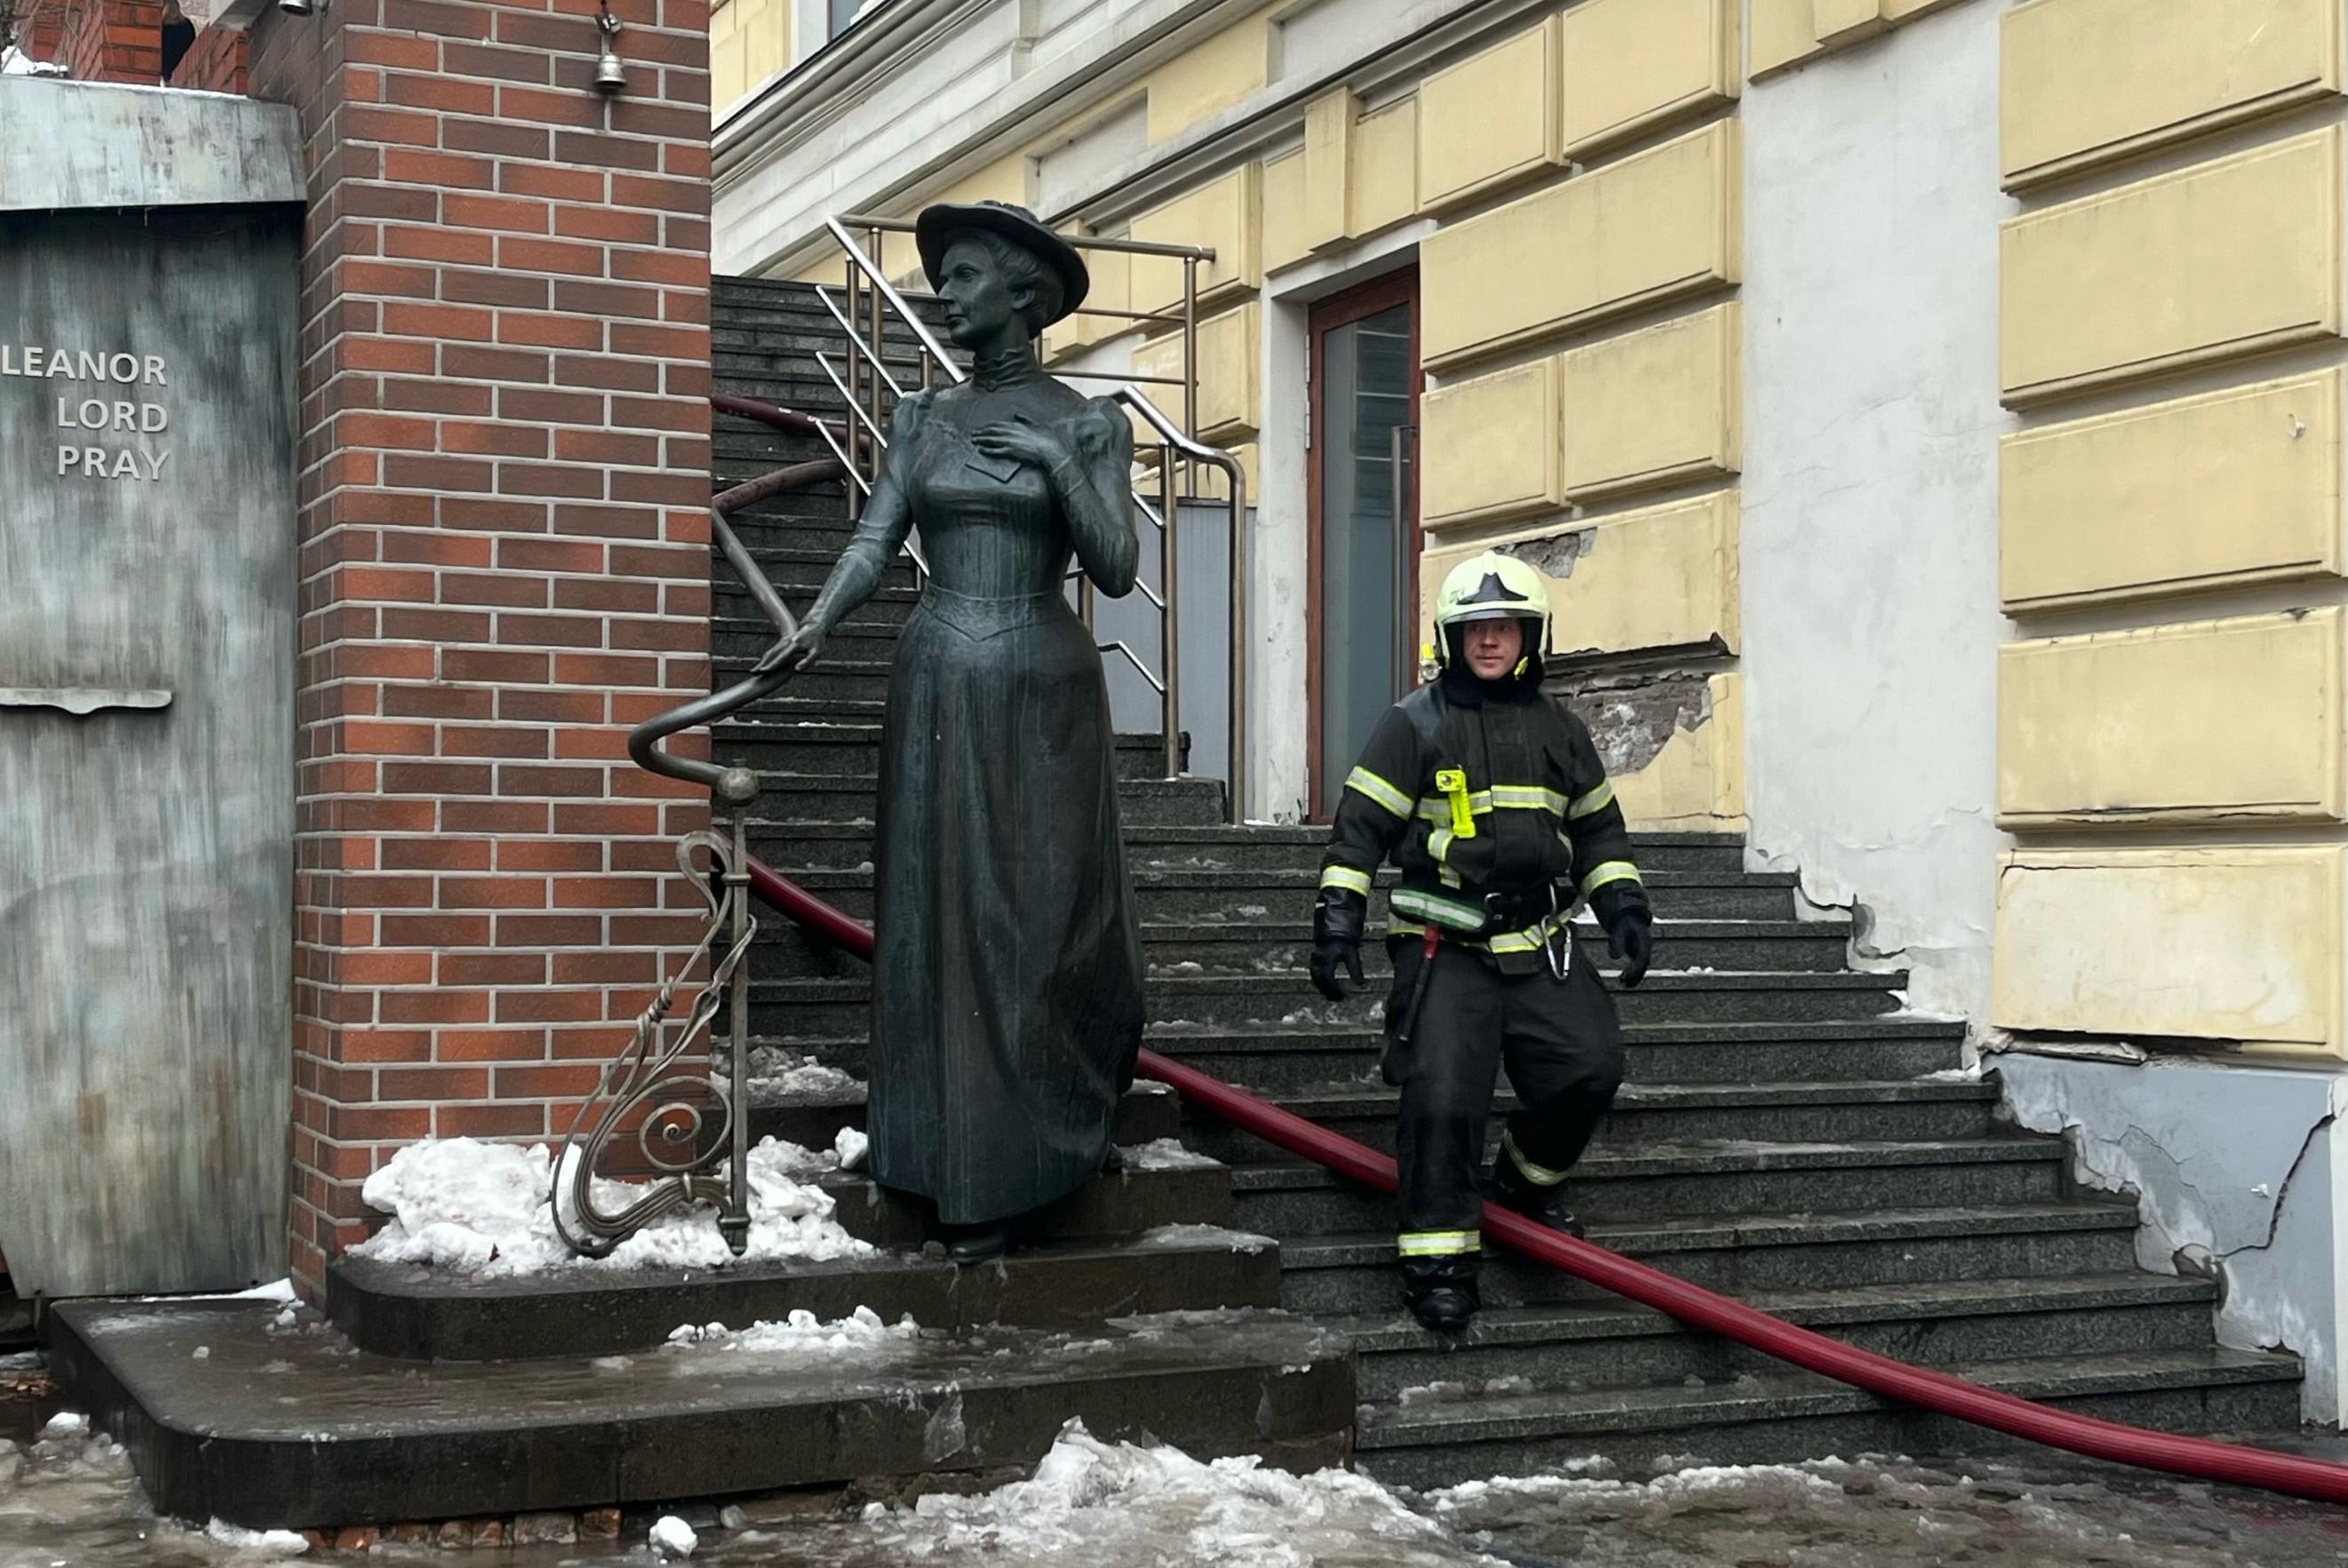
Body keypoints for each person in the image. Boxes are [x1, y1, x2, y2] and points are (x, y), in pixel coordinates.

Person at [767, 202, 1145, 1264]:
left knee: (1039, 916)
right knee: (936, 915)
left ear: (1025, 294)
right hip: (935, 674)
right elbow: (873, 540)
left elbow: (1118, 567)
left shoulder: (1089, 422)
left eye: (967, 275)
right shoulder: (921, 416)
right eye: (946, 276)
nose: (946, 293)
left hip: (1040, 683)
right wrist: (815, 619)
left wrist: (1057, 462)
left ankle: (1036, 1142)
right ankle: (939, 1147)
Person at [1310, 552, 1654, 1333]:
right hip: (1445, 943)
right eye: (1473, 629)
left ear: (1530, 636)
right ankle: (1438, 1264)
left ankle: (1523, 1184)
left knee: (1589, 1066)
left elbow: (1598, 832)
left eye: (1502, 627)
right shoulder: (1412, 723)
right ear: (1450, 638)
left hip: (1539, 940)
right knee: (1442, 1097)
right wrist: (1336, 920)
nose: (1488, 640)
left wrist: (1624, 907)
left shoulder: (1561, 730)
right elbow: (1358, 831)